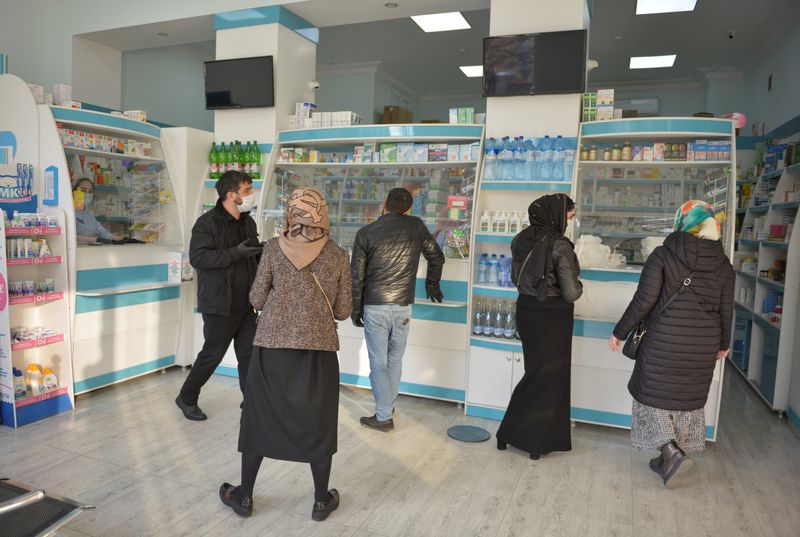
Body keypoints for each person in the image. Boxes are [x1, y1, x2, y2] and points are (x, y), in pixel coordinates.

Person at [219, 187, 351, 521]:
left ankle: (244, 496)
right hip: (318, 351)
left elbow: (257, 299)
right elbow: (344, 309)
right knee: (318, 422)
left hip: (271, 349)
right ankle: (321, 500)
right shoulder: (337, 255)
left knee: (258, 416)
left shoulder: (274, 250)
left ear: (291, 214)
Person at [608, 200, 734, 487]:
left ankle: (670, 451)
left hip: (663, 341)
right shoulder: (724, 265)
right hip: (703, 346)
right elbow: (726, 310)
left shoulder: (662, 255)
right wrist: (724, 343)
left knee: (651, 396)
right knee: (684, 399)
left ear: (682, 222)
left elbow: (644, 302)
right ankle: (667, 458)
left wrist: (620, 331)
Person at [350, 187, 445, 432]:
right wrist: (431, 284)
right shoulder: (416, 226)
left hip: (375, 306)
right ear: (409, 208)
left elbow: (356, 277)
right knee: (394, 360)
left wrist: (355, 308)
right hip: (403, 306)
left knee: (378, 363)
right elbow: (437, 257)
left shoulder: (366, 232)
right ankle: (387, 407)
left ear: (385, 203)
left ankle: (383, 417)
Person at [496, 193, 581, 459]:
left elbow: (515, 277)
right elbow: (571, 293)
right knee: (547, 377)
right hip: (553, 314)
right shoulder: (560, 245)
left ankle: (513, 433)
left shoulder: (520, 238)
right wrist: (580, 285)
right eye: (570, 214)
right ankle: (529, 438)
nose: (571, 219)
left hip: (526, 309)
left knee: (535, 372)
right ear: (556, 214)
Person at [175, 170, 262, 421]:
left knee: (249, 355)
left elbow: (251, 255)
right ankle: (187, 397)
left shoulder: (248, 221)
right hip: (219, 304)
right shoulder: (207, 223)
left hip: (246, 303)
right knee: (212, 355)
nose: (251, 195)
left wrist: (261, 252)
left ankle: (252, 402)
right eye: (247, 191)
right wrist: (236, 252)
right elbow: (199, 258)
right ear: (231, 195)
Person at [72, 178, 122, 243]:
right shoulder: (69, 212)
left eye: (90, 191)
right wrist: (91, 239)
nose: (87, 194)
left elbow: (100, 230)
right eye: (83, 190)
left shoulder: (89, 214)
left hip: (89, 250)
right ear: (73, 192)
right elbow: (66, 236)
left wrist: (114, 238)